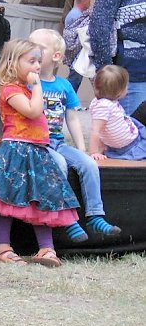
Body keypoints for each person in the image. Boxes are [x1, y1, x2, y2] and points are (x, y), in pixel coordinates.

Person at [0, 39, 80, 267]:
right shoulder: (11, 90)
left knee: (41, 201)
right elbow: (32, 112)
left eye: (39, 61)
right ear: (13, 63)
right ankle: (2, 247)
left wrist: (35, 88)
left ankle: (46, 248)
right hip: (16, 150)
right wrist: (39, 87)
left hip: (38, 152)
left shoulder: (29, 89)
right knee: (7, 200)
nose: (37, 66)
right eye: (31, 61)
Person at [28, 29, 121, 241]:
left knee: (88, 165)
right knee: (59, 164)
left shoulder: (64, 85)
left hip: (57, 142)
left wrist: (82, 149)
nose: (32, 51)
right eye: (29, 46)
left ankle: (95, 215)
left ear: (56, 56)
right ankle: (67, 218)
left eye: (39, 48)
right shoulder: (28, 83)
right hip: (37, 143)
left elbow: (72, 118)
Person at [88, 66, 146, 161]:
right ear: (119, 91)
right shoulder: (104, 106)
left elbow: (105, 128)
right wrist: (94, 152)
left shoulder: (108, 102)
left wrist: (103, 147)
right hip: (132, 146)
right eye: (126, 86)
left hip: (134, 135)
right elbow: (96, 130)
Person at [62, 0, 92, 94]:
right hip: (77, 51)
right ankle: (68, 97)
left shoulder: (74, 13)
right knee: (75, 77)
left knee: (76, 76)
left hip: (77, 51)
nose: (90, 4)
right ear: (84, 1)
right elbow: (74, 35)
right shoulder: (77, 15)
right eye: (89, 2)